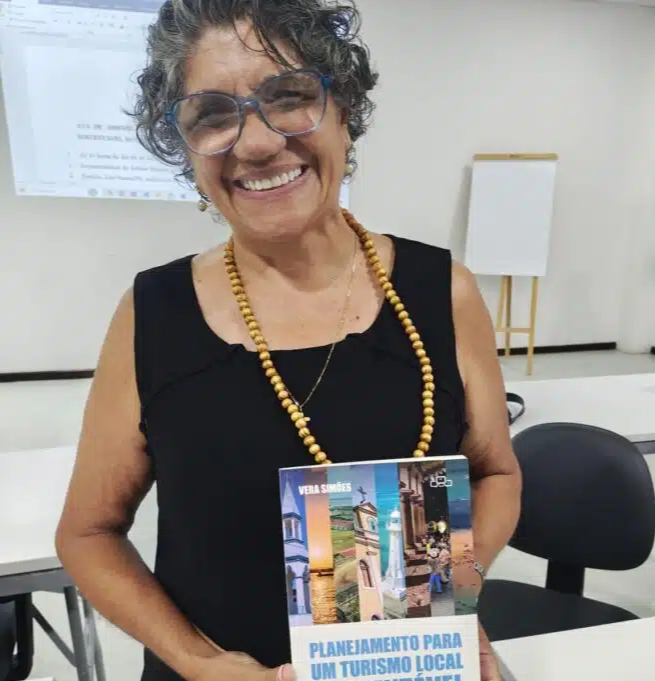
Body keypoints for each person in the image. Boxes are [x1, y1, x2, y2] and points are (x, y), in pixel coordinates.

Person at [54, 1, 521, 680]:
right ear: (186, 149)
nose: (255, 143)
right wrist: (201, 663)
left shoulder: (441, 292)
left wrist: (439, 592)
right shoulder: (153, 312)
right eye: (211, 115)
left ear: (344, 113)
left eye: (289, 96)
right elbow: (87, 533)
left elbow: (495, 473)